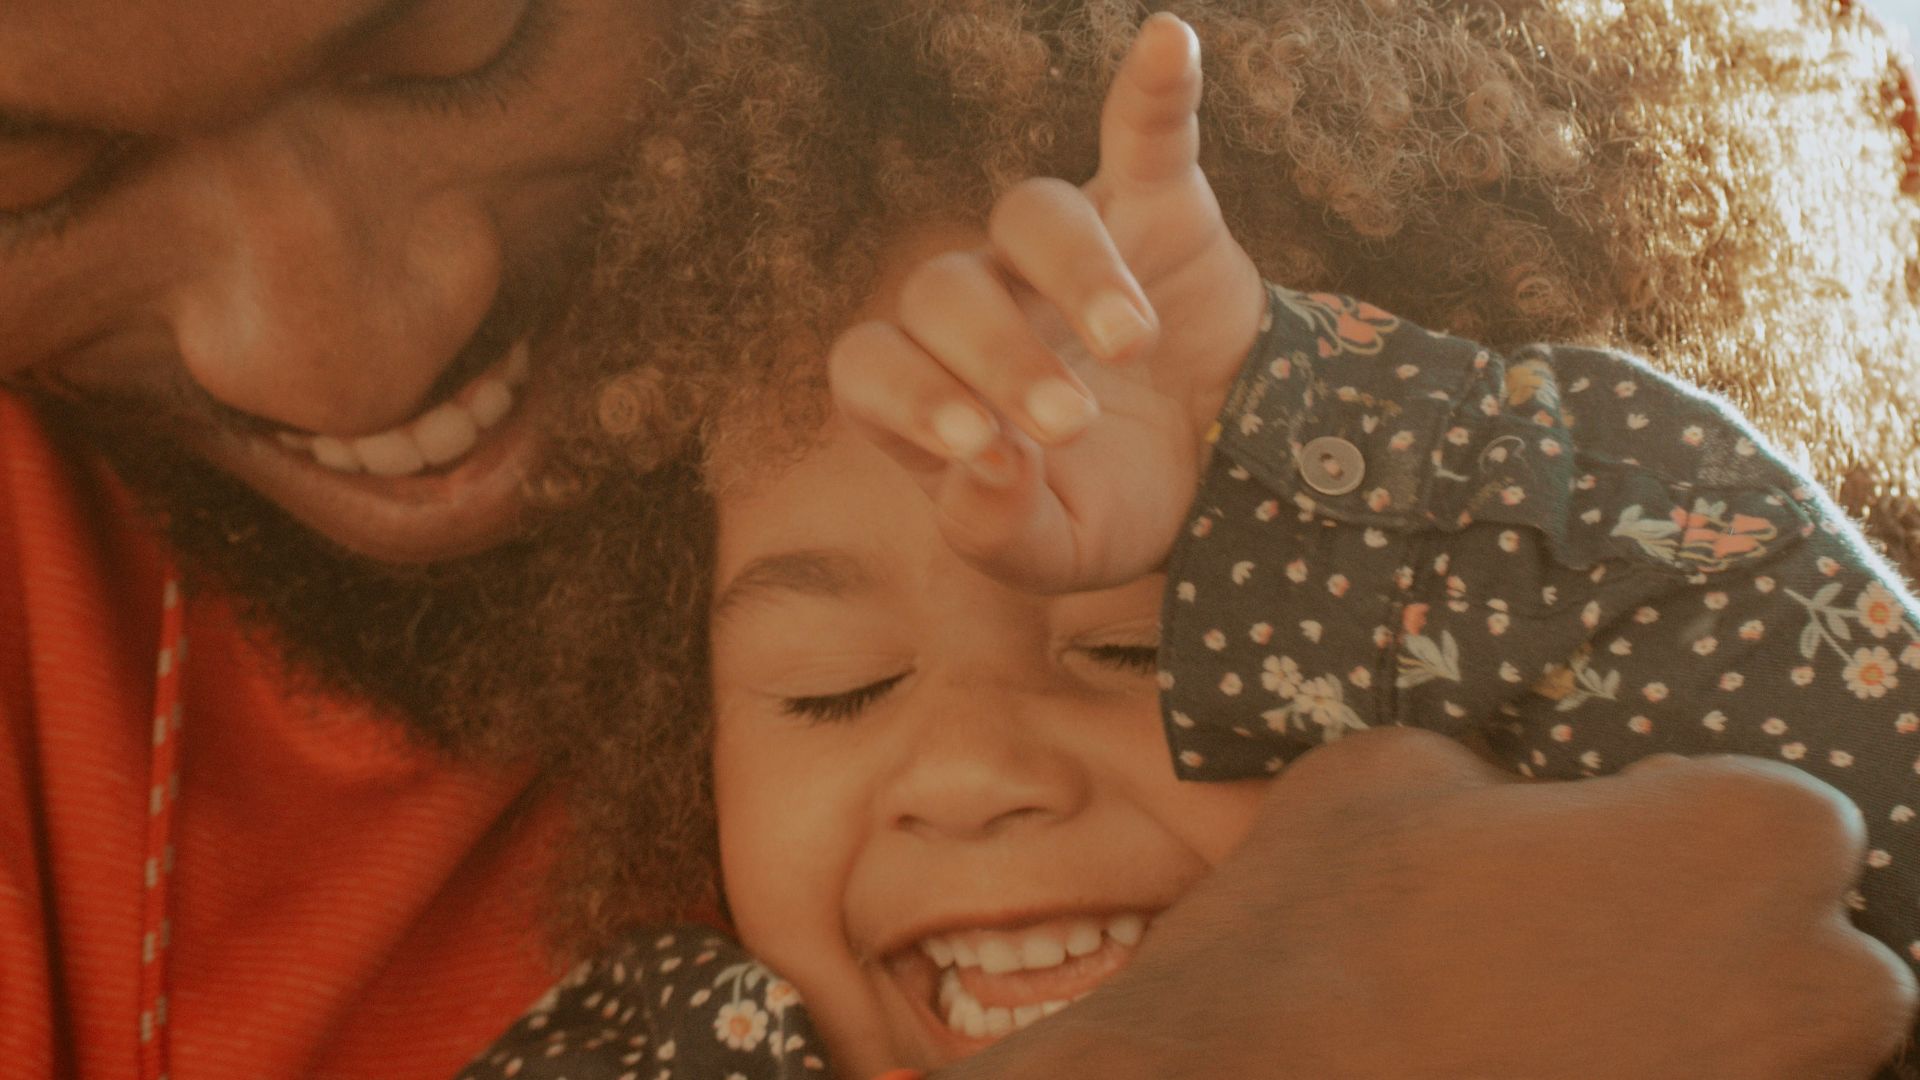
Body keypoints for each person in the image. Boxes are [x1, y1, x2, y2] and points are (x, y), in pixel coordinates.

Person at [1, 1, 1914, 1078]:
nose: (979, 773)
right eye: (829, 695)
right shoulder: (677, 1045)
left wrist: (1313, 428)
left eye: (1143, 649)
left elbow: (1823, 708)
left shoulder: (1649, 953)